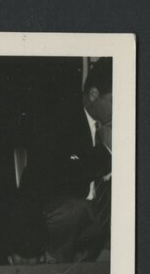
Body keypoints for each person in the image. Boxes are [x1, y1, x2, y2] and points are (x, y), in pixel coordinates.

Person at [17, 57, 112, 263]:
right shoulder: (58, 119)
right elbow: (60, 173)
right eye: (116, 100)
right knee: (77, 211)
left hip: (93, 212)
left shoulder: (117, 124)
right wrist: (108, 153)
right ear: (94, 94)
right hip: (54, 206)